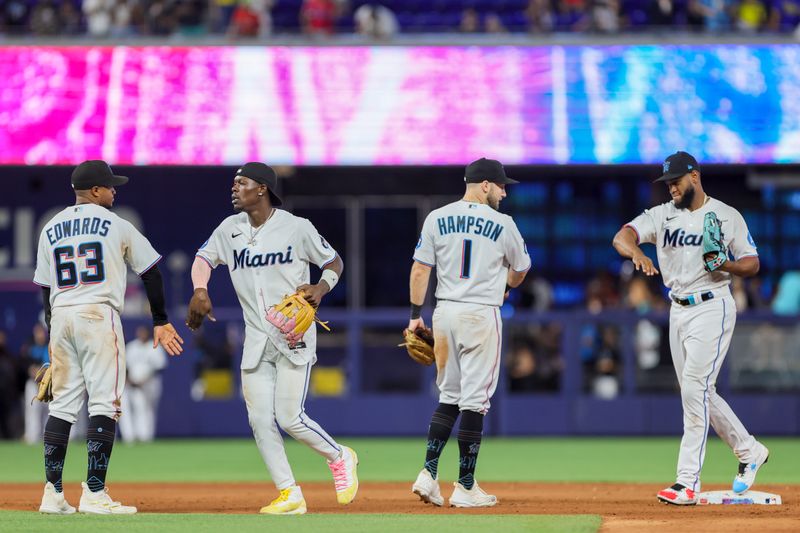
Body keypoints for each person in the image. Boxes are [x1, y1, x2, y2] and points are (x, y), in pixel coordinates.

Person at [185, 162, 357, 515]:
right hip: (256, 338)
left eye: (241, 182)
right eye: (234, 183)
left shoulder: (296, 227)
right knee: (260, 420)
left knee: (290, 417)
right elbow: (203, 258)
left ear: (261, 188)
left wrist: (322, 288)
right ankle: (289, 493)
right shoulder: (228, 229)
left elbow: (334, 262)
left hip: (293, 332)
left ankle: (340, 456)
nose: (234, 188)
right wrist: (200, 289)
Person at [612, 151, 768, 505]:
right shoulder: (662, 215)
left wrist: (726, 263)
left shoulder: (727, 215)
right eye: (667, 183)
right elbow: (622, 235)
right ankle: (749, 450)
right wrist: (635, 251)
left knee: (695, 389)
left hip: (713, 305)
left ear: (694, 177)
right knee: (700, 391)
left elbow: (752, 263)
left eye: (676, 181)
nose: (671, 188)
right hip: (677, 310)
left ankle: (686, 482)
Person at [33, 160, 184, 515]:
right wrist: (160, 319)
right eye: (111, 186)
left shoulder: (51, 226)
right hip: (98, 315)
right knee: (105, 404)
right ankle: (95, 493)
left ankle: (52, 493)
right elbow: (151, 272)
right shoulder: (116, 224)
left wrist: (55, 332)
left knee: (62, 406)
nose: (115, 191)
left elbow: (44, 287)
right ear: (95, 191)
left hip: (62, 316)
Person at [407, 158, 530, 508]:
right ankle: (464, 486)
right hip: (480, 313)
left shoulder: (436, 217)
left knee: (449, 395)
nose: (505, 192)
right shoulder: (503, 223)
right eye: (502, 185)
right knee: (475, 401)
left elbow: (420, 270)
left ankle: (428, 474)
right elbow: (521, 268)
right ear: (486, 185)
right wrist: (506, 285)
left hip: (444, 311)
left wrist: (416, 316)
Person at [118, 326, 168, 443]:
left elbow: (159, 367)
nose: (141, 335)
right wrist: (129, 380)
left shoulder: (155, 346)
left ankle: (145, 436)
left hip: (150, 383)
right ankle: (130, 437)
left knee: (147, 409)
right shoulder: (132, 346)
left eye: (143, 333)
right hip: (131, 383)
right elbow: (126, 366)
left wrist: (144, 380)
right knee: (128, 409)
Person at [23, 323, 51, 444]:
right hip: (33, 384)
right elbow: (24, 365)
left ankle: (48, 438)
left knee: (48, 411)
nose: (40, 335)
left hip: (47, 383)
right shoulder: (30, 347)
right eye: (37, 332)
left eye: (41, 332)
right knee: (33, 410)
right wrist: (31, 369)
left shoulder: (48, 347)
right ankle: (32, 436)